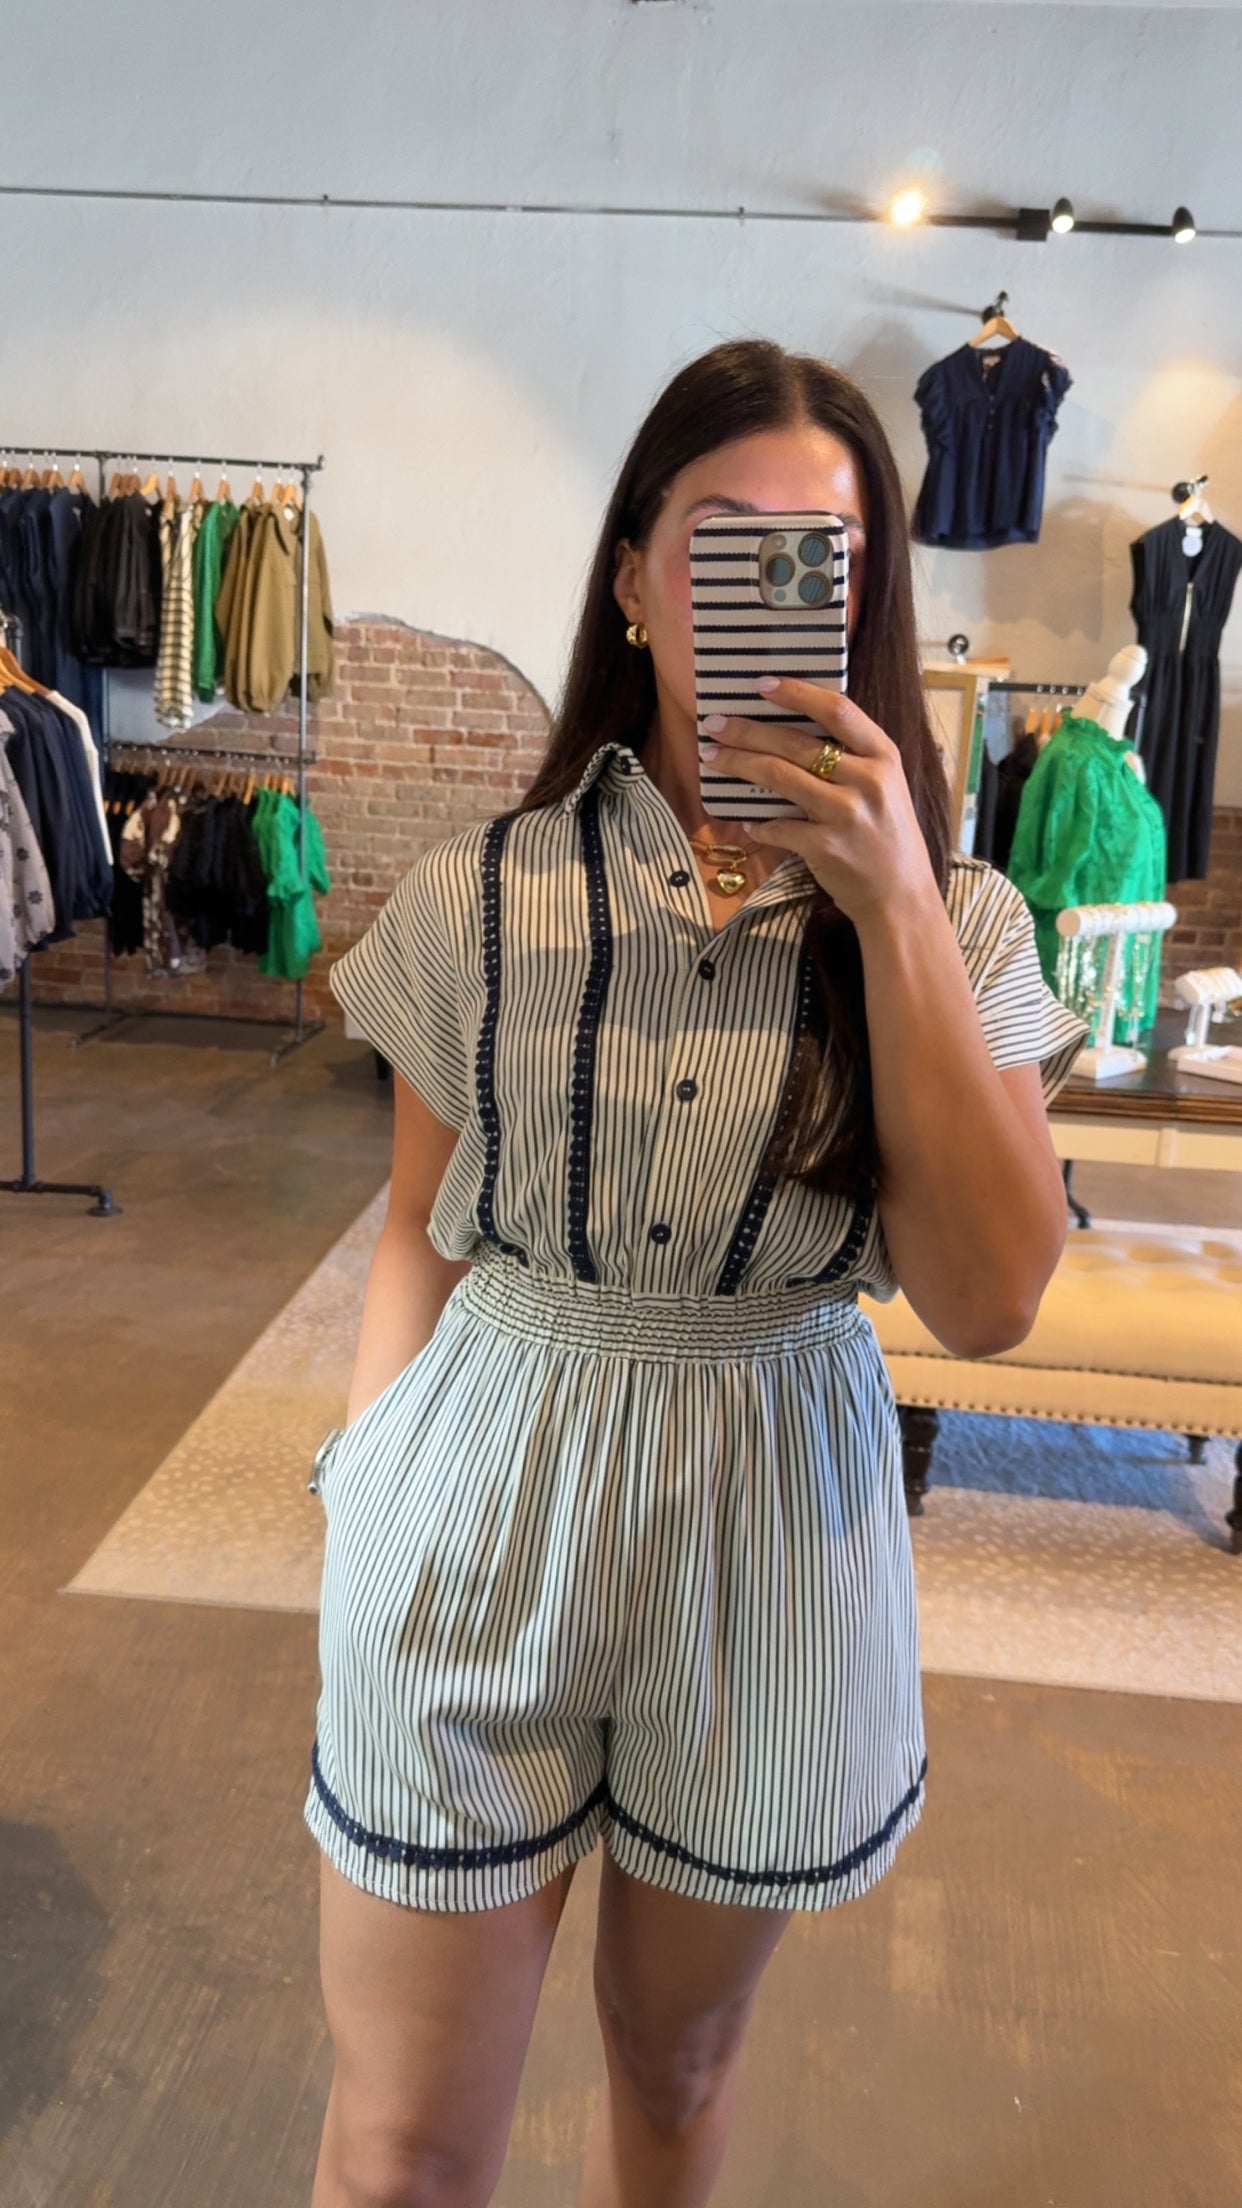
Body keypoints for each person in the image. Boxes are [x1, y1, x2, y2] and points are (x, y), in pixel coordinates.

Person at [304, 339, 1087, 2208]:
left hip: (771, 1526)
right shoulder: (483, 892)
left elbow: (988, 1301)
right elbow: (419, 1220)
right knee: (398, 2148)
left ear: (860, 600)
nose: (768, 591)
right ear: (636, 581)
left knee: (675, 2066)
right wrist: (366, 1482)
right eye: (722, 544)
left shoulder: (962, 921)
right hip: (480, 1498)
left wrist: (892, 905)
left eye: (819, 558)